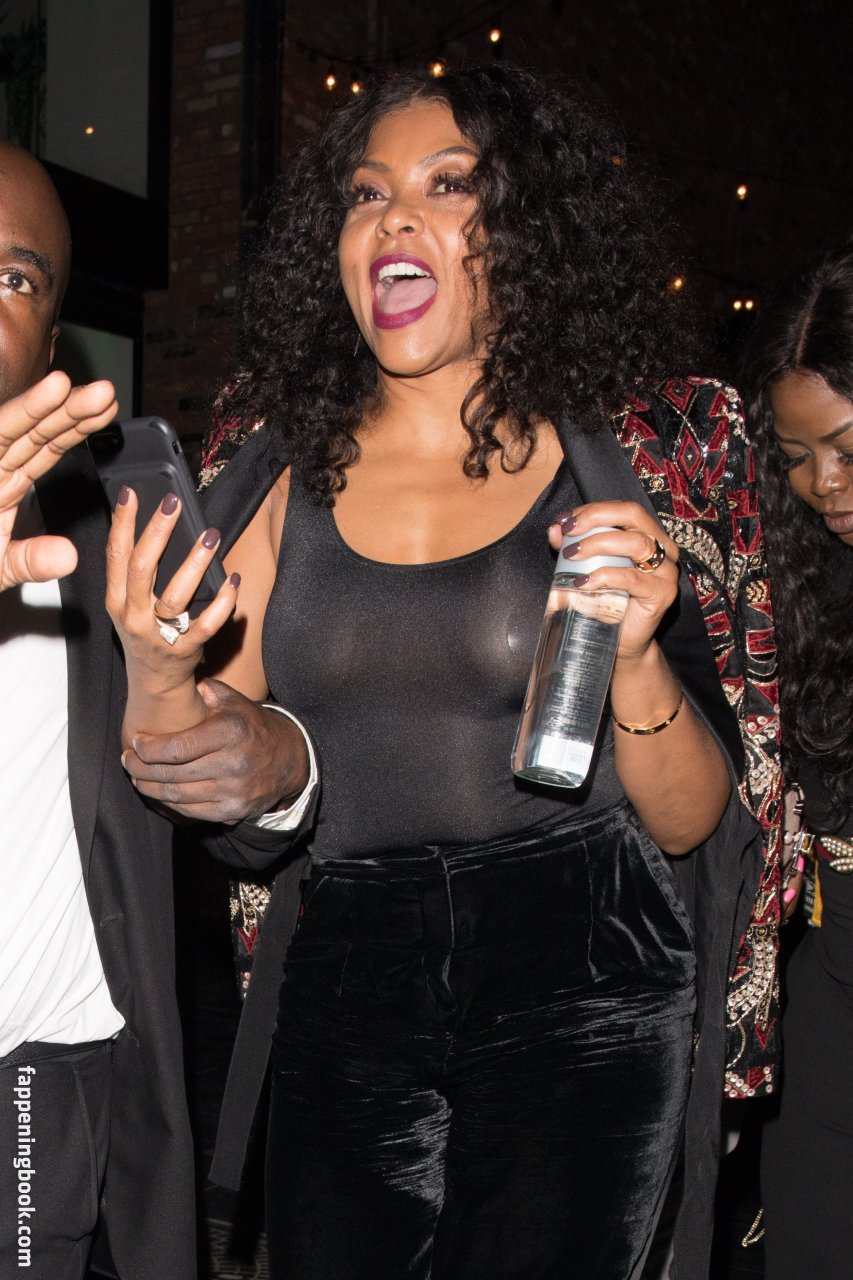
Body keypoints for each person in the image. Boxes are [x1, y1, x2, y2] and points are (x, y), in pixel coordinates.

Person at [109, 67, 782, 1279]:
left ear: (525, 231)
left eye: (448, 184)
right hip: (348, 962)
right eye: (367, 194)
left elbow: (694, 825)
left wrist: (634, 657)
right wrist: (159, 672)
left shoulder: (620, 458)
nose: (394, 218)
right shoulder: (268, 464)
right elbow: (229, 793)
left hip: (585, 963)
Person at [0, 140, 310, 1280]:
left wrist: (280, 766)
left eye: (12, 278)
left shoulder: (110, 535)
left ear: (51, 340)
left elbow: (222, 810)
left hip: (37, 1082)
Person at [745, 243, 853, 1280]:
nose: (822, 484)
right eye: (794, 454)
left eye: (847, 448)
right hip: (826, 998)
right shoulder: (808, 582)